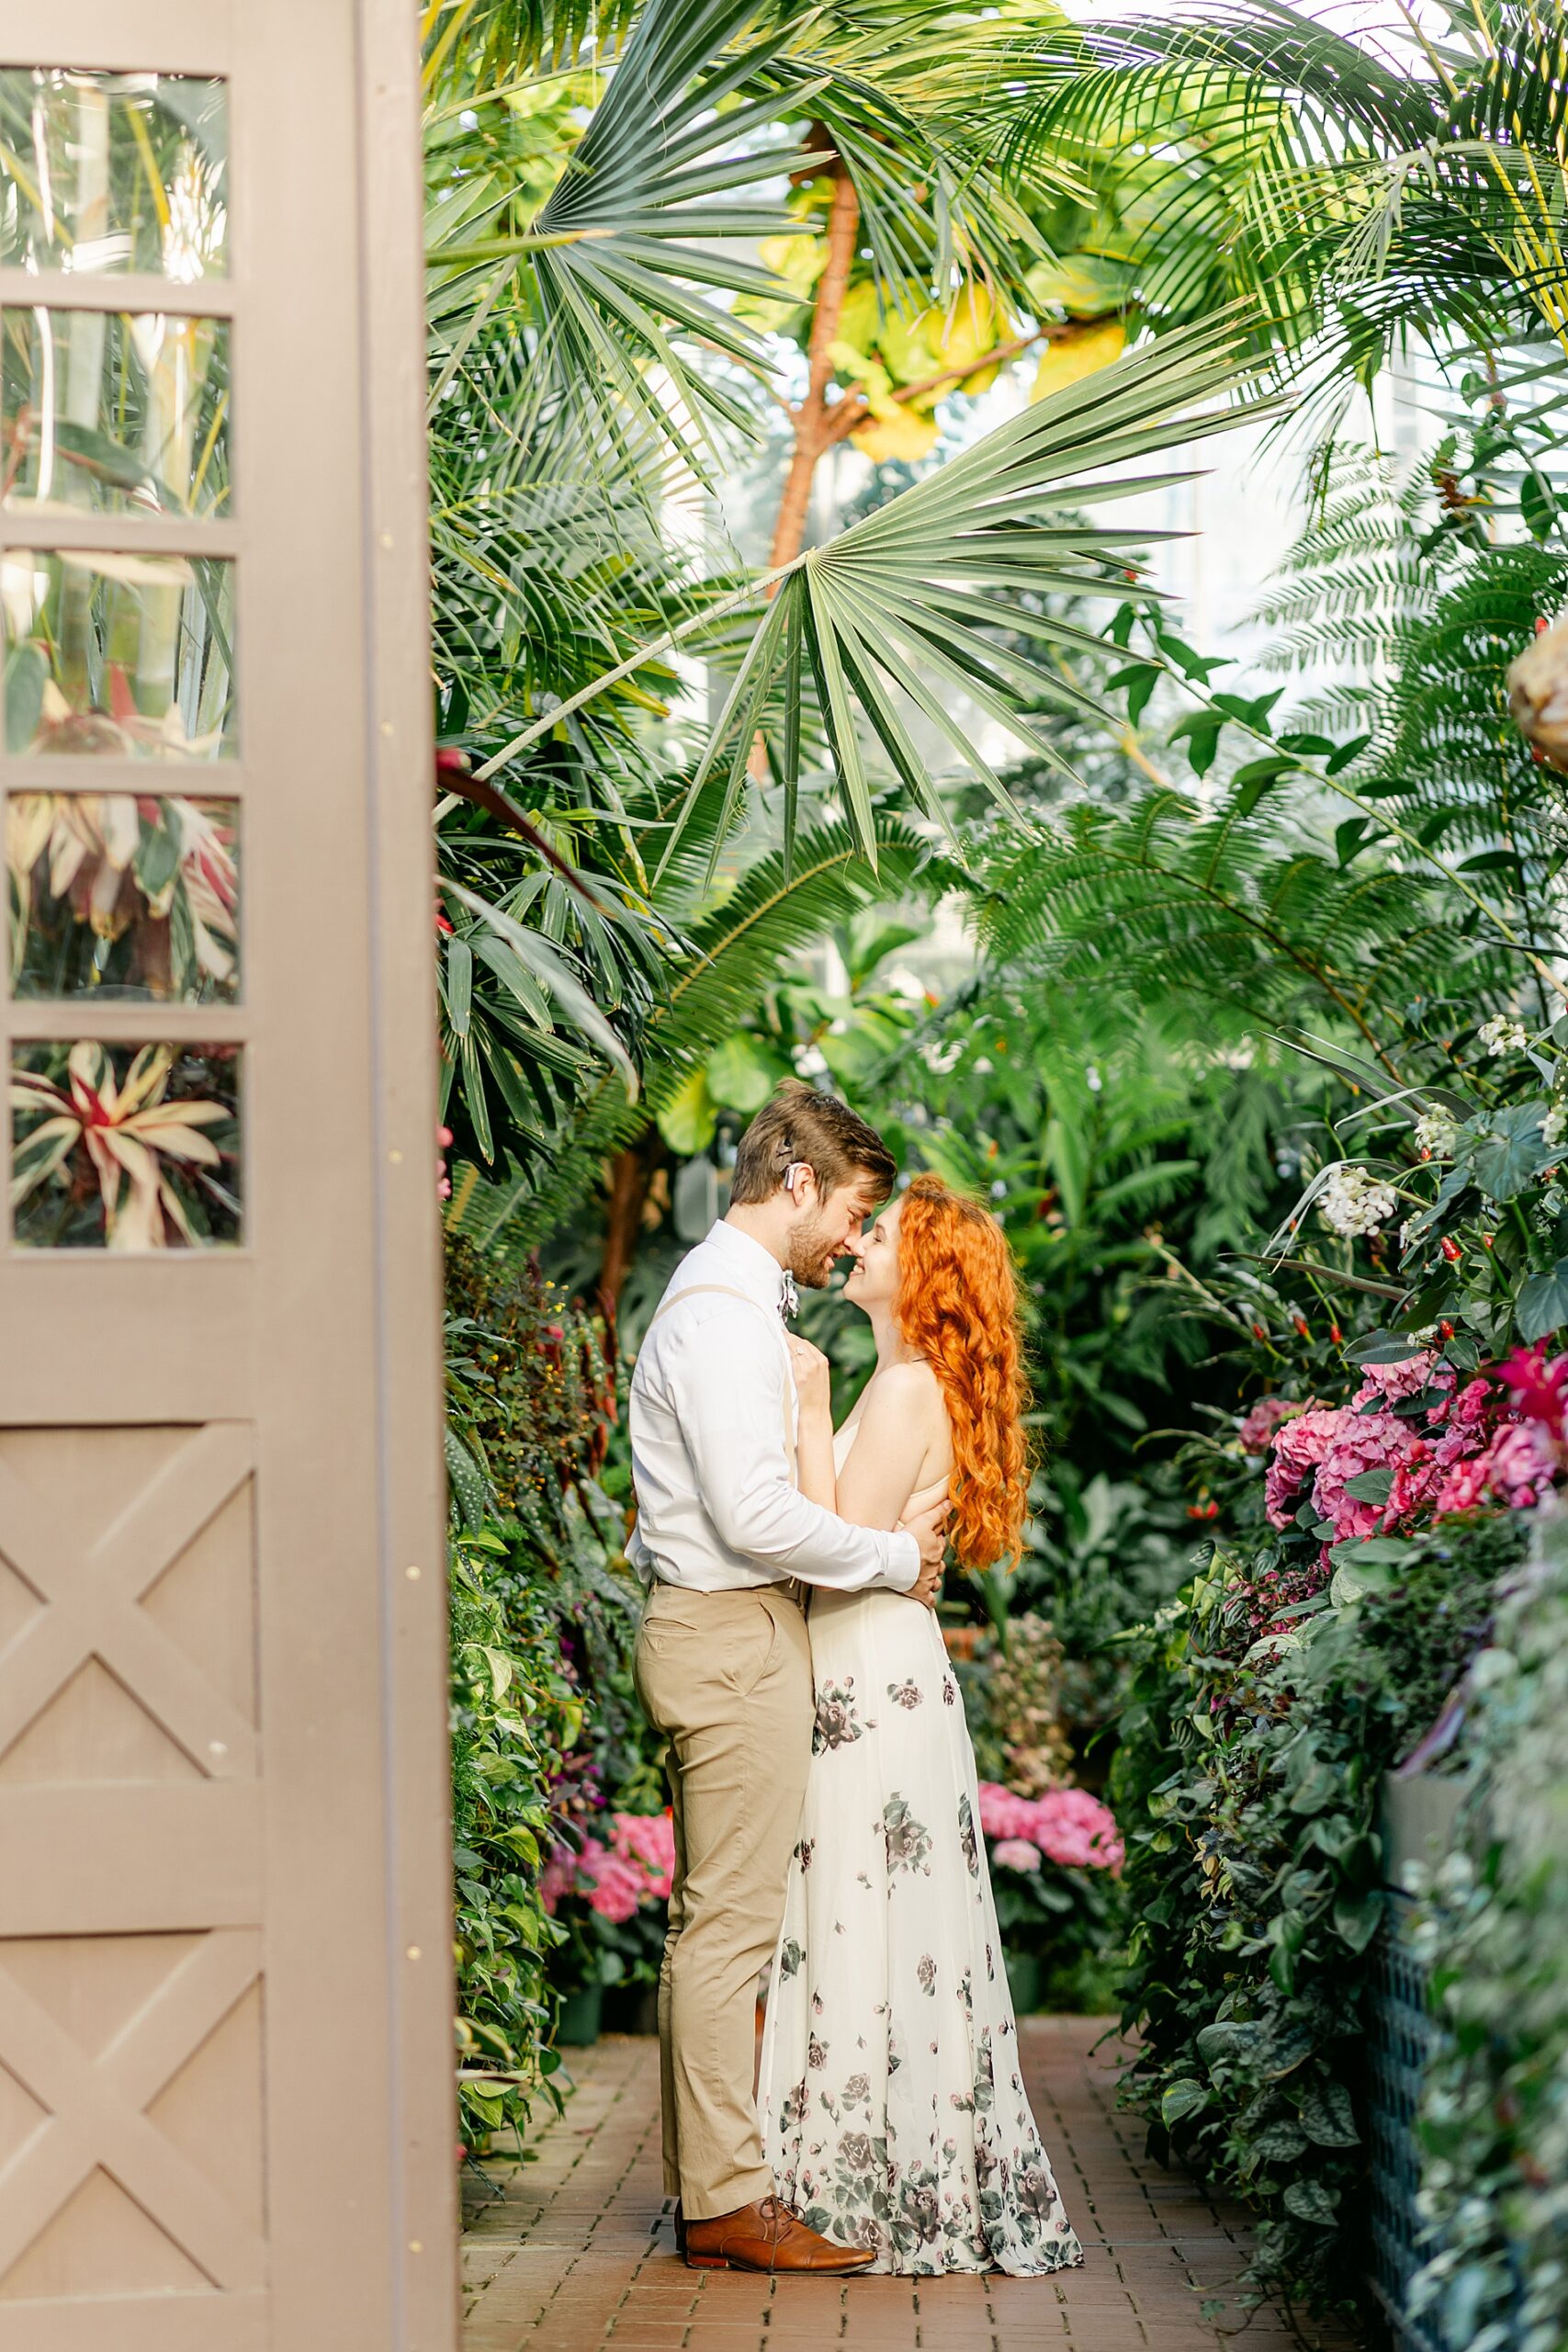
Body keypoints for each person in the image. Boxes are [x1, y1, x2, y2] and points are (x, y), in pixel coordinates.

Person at [628, 1083, 952, 2275]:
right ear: (799, 1183)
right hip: (728, 1634)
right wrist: (892, 1556)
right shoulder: (719, 1316)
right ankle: (723, 2200)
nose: (849, 1239)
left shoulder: (732, 1308)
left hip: (722, 1630)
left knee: (714, 1927)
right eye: (850, 1207)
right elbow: (754, 1512)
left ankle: (712, 2185)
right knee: (726, 1933)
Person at [758, 1173, 1083, 2277]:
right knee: (876, 1918)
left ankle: (849, 2190)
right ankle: (877, 2174)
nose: (859, 1243)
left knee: (857, 1911)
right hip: (885, 1667)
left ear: (927, 1271)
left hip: (869, 1674)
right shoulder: (908, 1380)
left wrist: (805, 1411)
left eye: (881, 1234)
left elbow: (830, 1539)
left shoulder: (901, 1391)